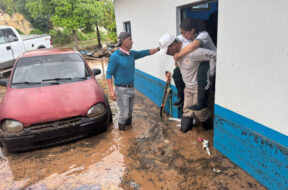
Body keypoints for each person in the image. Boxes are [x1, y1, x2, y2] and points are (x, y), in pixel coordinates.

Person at [159, 33, 216, 132]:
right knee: (185, 121)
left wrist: (210, 75)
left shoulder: (192, 52)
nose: (168, 54)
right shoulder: (178, 46)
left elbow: (214, 55)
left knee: (199, 113)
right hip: (188, 88)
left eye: (168, 51)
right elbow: (180, 37)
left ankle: (209, 123)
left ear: (173, 45)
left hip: (198, 87)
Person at [106, 32, 159, 131]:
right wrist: (111, 91)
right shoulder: (115, 56)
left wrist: (158, 49)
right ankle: (122, 136)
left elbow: (145, 52)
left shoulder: (131, 54)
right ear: (123, 41)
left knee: (130, 112)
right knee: (124, 114)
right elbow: (109, 73)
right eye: (130, 39)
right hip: (121, 90)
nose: (132, 42)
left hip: (131, 88)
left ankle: (129, 131)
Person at [174, 18, 217, 111]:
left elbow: (193, 46)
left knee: (202, 73)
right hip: (199, 60)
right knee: (177, 71)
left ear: (192, 31)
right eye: (181, 32)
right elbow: (174, 43)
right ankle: (180, 97)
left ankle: (201, 103)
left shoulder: (204, 35)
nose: (182, 35)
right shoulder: (184, 36)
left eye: (184, 32)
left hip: (211, 60)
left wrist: (178, 56)